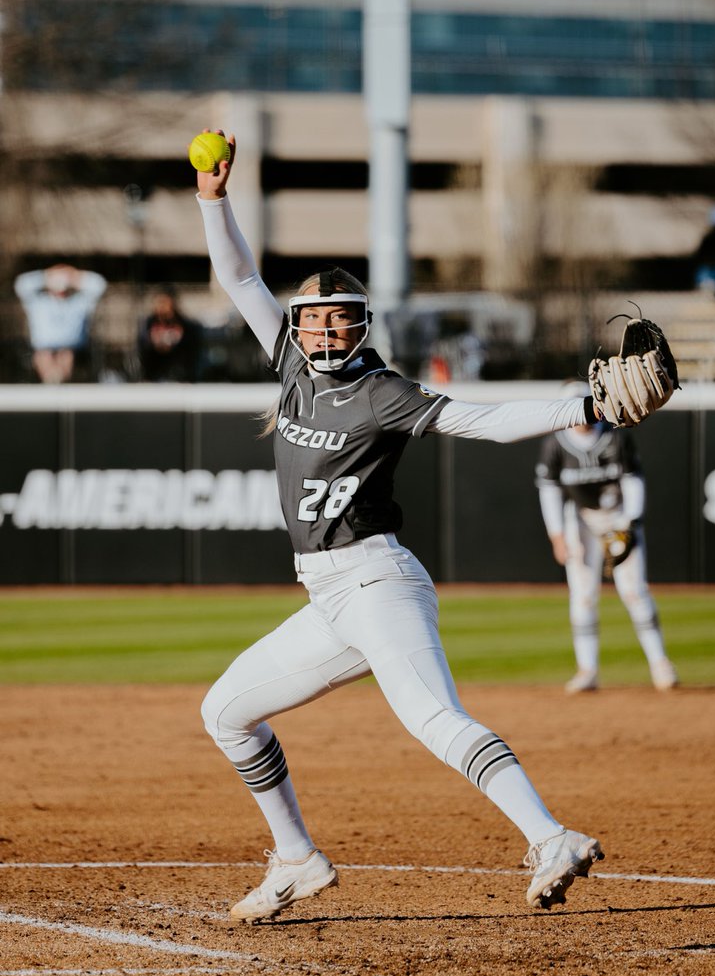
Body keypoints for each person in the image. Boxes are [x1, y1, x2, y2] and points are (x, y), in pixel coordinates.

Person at [196, 131, 609, 924]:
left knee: (432, 719)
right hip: (329, 596)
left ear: (361, 326)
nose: (323, 333)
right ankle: (297, 860)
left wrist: (582, 406)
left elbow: (481, 420)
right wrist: (212, 201)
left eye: (340, 321)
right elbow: (241, 275)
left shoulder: (382, 393)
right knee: (226, 713)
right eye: (314, 320)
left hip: (377, 580)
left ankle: (550, 836)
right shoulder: (287, 361)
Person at [536, 381, 679, 694]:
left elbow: (633, 481)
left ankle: (661, 664)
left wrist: (629, 525)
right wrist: (557, 536)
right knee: (583, 595)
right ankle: (587, 670)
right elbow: (548, 492)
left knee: (634, 591)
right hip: (582, 521)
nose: (582, 416)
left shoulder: (615, 436)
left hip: (619, 518)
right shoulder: (556, 444)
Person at [14, 263, 107, 384]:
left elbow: (99, 285)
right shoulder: (38, 303)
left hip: (72, 349)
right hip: (43, 347)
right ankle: (49, 383)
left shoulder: (79, 303)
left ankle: (65, 383)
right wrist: (47, 276)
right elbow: (22, 285)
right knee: (44, 356)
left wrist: (73, 276)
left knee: (66, 356)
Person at [136, 285, 202, 382]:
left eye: (165, 303)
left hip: (177, 366)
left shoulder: (183, 323)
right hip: (155, 363)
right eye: (159, 303)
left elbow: (189, 343)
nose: (162, 307)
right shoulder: (150, 322)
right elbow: (143, 342)